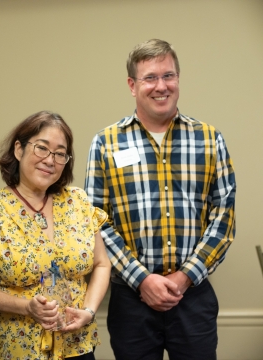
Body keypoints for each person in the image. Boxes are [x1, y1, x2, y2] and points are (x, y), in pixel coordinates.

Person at [84, 39, 236, 360]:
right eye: (150, 77)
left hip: (193, 298)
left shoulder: (209, 139)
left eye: (169, 76)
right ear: (132, 85)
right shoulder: (105, 143)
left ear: (178, 79)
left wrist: (184, 277)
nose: (161, 86)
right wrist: (141, 280)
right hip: (130, 301)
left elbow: (223, 218)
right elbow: (95, 221)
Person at [0, 111, 112, 360]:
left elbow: (101, 263)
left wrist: (89, 309)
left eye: (60, 153)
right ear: (19, 149)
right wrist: (26, 307)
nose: (50, 160)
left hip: (78, 345)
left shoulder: (78, 202)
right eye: (42, 148)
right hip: (20, 349)